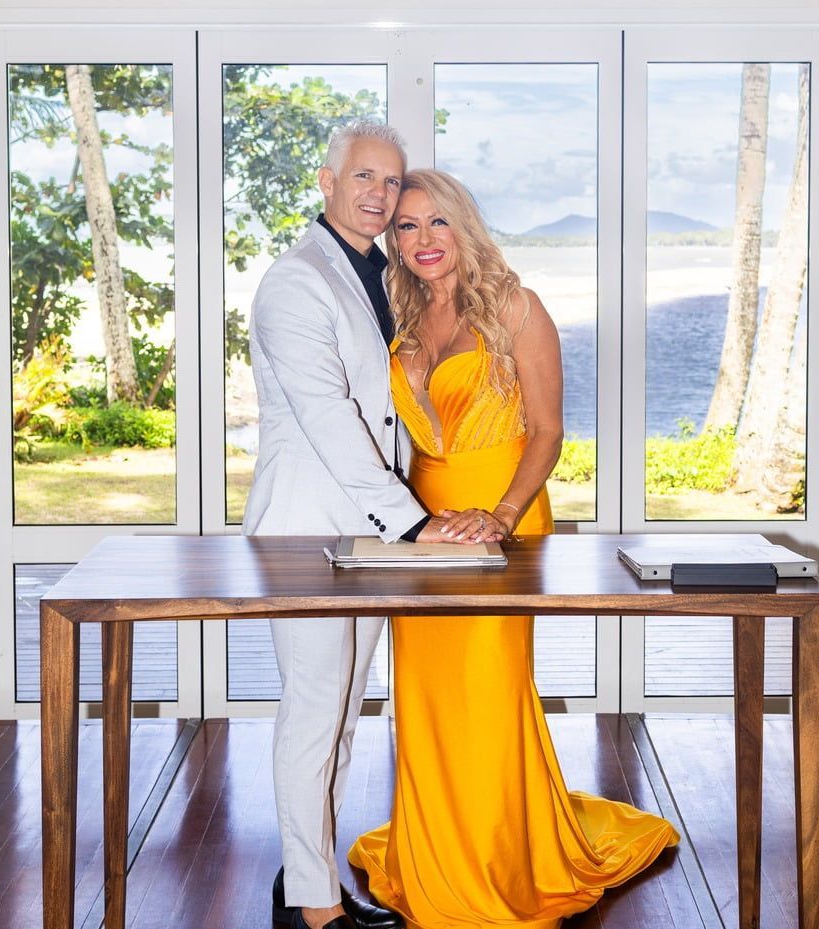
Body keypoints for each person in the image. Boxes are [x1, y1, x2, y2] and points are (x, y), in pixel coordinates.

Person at [348, 169, 680, 929]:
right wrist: (393, 517)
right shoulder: (397, 312)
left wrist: (500, 514)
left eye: (436, 223)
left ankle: (500, 862)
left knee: (487, 691)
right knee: (428, 697)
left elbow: (548, 430)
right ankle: (439, 851)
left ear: (464, 226)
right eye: (405, 227)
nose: (422, 240)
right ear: (392, 240)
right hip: (423, 527)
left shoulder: (515, 308)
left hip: (502, 517)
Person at [242, 125, 466, 929]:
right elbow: (331, 420)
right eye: (364, 175)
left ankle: (310, 886)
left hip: (363, 533)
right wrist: (414, 525)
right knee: (312, 714)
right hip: (307, 530)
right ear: (327, 179)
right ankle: (312, 909)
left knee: (337, 719)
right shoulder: (295, 282)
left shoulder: (379, 274)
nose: (379, 192)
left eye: (391, 179)